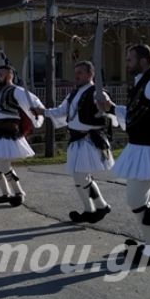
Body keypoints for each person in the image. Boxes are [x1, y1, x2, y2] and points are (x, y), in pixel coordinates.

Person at [98, 44, 150, 267]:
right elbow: (135, 114)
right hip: (140, 148)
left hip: (149, 149)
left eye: (130, 59)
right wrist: (111, 107)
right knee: (137, 198)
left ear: (143, 61)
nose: (126, 63)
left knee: (135, 199)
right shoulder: (140, 85)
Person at [32, 61, 114, 223]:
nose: (76, 76)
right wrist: (42, 112)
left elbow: (107, 109)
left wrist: (104, 103)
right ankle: (92, 209)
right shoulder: (73, 94)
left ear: (90, 75)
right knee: (79, 177)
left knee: (81, 176)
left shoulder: (97, 93)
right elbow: (61, 112)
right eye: (75, 72)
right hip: (77, 140)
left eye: (80, 73)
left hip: (89, 140)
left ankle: (98, 207)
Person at [0, 64, 44, 206]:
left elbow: (33, 102)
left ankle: (19, 192)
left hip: (8, 132)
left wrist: (38, 113)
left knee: (4, 164)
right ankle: (6, 193)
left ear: (10, 75)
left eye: (1, 74)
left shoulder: (17, 91)